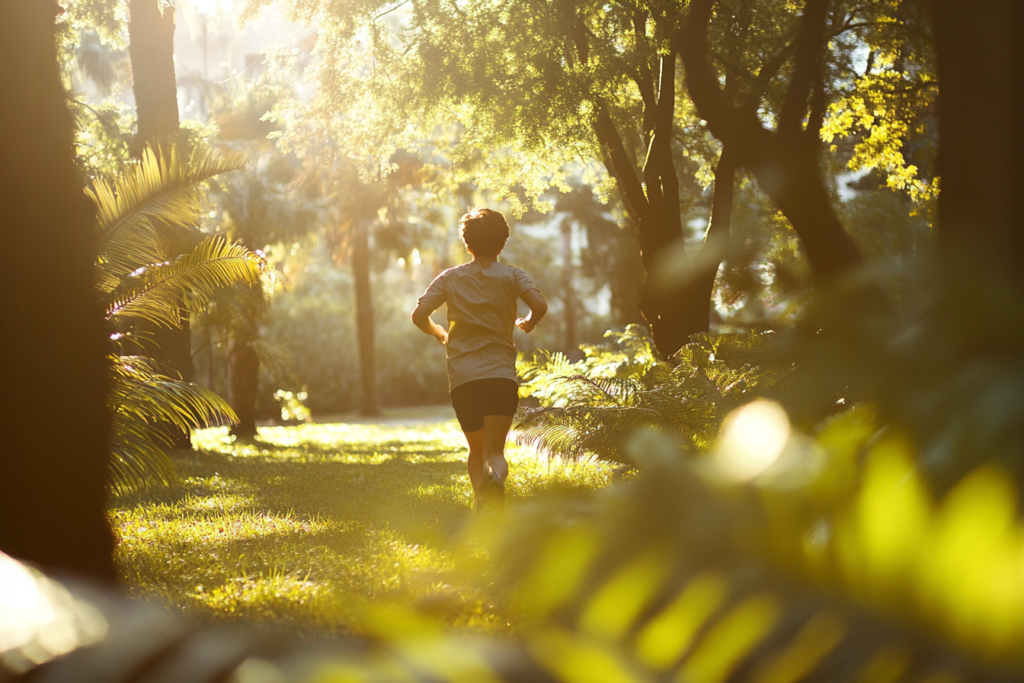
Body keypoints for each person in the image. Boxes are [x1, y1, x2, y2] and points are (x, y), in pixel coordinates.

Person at [411, 207, 547, 510]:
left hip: (464, 378)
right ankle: (496, 478)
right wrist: (528, 322)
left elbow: (419, 315)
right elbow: (539, 304)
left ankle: (482, 500)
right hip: (500, 376)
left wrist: (438, 333)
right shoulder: (513, 275)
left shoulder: (450, 278)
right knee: (495, 450)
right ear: (503, 243)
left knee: (476, 449)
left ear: (466, 243)